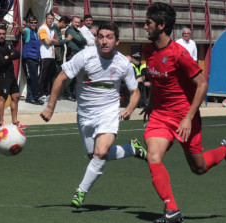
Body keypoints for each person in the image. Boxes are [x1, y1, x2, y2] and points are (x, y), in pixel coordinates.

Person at [142, 3, 226, 223]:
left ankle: (225, 150)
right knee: (153, 156)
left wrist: (187, 118)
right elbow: (158, 81)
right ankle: (172, 210)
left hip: (185, 118)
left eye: (148, 22)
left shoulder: (179, 54)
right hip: (160, 116)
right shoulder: (148, 50)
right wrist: (151, 103)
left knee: (199, 168)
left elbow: (202, 84)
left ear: (162, 25)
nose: (144, 26)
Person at [40, 22, 146, 208]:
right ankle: (131, 149)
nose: (104, 41)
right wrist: (50, 107)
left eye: (109, 37)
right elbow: (61, 78)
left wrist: (129, 109)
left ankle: (80, 192)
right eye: (101, 37)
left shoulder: (123, 63)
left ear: (117, 41)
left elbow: (135, 91)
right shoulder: (85, 56)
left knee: (101, 152)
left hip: (109, 112)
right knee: (94, 156)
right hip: (85, 114)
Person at [0, 23, 26, 129]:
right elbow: (1, 62)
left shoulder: (9, 44)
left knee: (16, 97)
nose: (2, 36)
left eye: (3, 34)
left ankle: (15, 122)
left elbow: (17, 54)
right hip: (3, 76)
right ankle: (0, 122)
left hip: (11, 75)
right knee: (2, 98)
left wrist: (8, 56)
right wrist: (9, 56)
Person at [63, 16, 87, 101]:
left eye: (78, 22)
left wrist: (81, 40)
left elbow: (84, 40)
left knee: (77, 75)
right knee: (70, 75)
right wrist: (81, 40)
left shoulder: (78, 31)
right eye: (76, 22)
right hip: (72, 53)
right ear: (72, 22)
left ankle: (73, 94)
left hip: (78, 54)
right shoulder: (70, 30)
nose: (77, 24)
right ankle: (67, 94)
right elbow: (79, 39)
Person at [22, 16, 44, 105]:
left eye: (35, 22)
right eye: (32, 22)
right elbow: (23, 31)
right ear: (28, 23)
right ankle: (34, 97)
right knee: (33, 79)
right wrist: (20, 28)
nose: (33, 24)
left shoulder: (36, 32)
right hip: (29, 58)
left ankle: (31, 97)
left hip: (35, 58)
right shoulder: (27, 30)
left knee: (33, 78)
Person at [37, 12, 58, 102]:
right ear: (46, 18)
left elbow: (58, 42)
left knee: (50, 75)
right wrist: (52, 41)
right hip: (44, 55)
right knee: (43, 75)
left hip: (52, 55)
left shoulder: (52, 30)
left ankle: (47, 93)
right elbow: (47, 42)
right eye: (49, 18)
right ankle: (40, 93)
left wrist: (51, 40)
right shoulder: (42, 28)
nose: (50, 20)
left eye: (52, 19)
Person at [52, 16, 72, 88]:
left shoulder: (58, 29)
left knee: (57, 72)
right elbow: (57, 42)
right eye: (66, 24)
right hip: (56, 55)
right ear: (62, 22)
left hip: (59, 55)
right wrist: (67, 39)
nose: (66, 26)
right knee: (55, 73)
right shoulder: (54, 28)